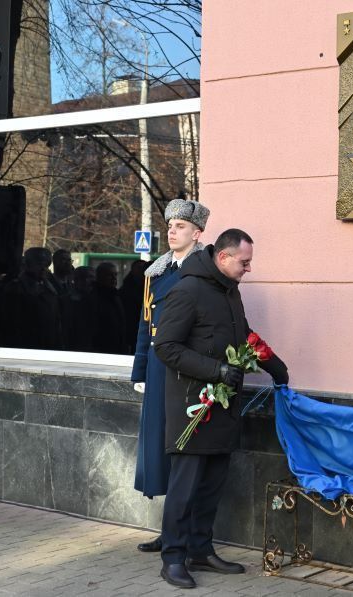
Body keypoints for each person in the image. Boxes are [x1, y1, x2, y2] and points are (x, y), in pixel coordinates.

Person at [153, 228, 289, 589]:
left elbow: (243, 335)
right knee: (184, 488)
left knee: (212, 484)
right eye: (245, 262)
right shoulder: (187, 290)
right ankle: (173, 558)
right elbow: (166, 347)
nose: (248, 269)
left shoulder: (230, 292)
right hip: (193, 409)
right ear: (224, 257)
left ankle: (200, 549)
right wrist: (216, 370)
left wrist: (274, 365)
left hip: (224, 407)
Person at [131, 198, 210, 553]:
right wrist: (140, 369)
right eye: (170, 226)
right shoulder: (156, 273)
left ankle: (186, 536)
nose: (172, 231)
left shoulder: (205, 272)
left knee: (183, 452)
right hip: (159, 370)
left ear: (197, 233)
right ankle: (170, 532)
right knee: (161, 452)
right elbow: (145, 325)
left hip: (186, 370)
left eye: (180, 226)